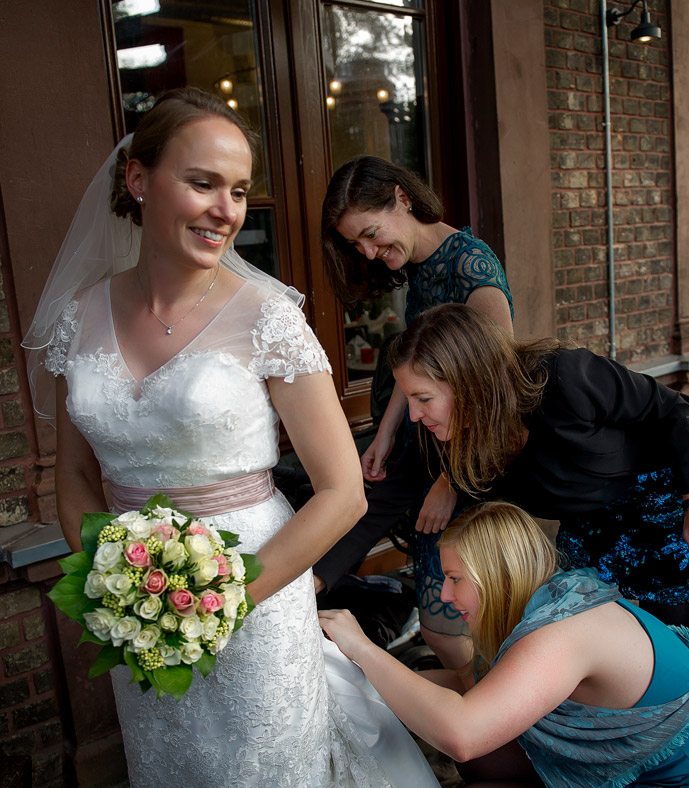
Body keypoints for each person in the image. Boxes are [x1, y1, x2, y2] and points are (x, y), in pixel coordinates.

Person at [22, 89, 439, 788]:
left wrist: (225, 607)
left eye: (240, 190)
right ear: (137, 181)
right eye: (202, 182)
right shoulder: (79, 316)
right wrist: (113, 587)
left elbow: (342, 494)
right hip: (141, 607)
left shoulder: (267, 317)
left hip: (258, 594)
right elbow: (74, 478)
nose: (227, 209)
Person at [319, 501, 689, 788]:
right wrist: (362, 681)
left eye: (455, 580)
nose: (446, 597)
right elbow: (466, 682)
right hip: (680, 766)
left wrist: (363, 648)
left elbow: (463, 735)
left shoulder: (560, 634)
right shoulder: (555, 596)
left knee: (479, 756)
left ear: (498, 576)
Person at [388, 303, 689, 632]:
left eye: (423, 398)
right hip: (590, 523)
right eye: (410, 400)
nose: (414, 416)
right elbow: (385, 501)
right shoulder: (454, 434)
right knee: (589, 639)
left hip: (669, 503)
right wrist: (448, 481)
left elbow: (673, 409)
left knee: (671, 645)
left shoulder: (564, 375)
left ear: (466, 382)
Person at [315, 155, 514, 674]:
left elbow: (499, 390)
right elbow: (416, 367)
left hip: (468, 467)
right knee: (440, 625)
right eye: (357, 243)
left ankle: (492, 721)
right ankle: (478, 720)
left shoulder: (472, 266)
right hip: (425, 456)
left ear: (403, 197)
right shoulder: (421, 269)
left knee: (458, 622)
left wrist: (450, 480)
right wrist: (383, 436)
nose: (368, 252)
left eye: (372, 234)